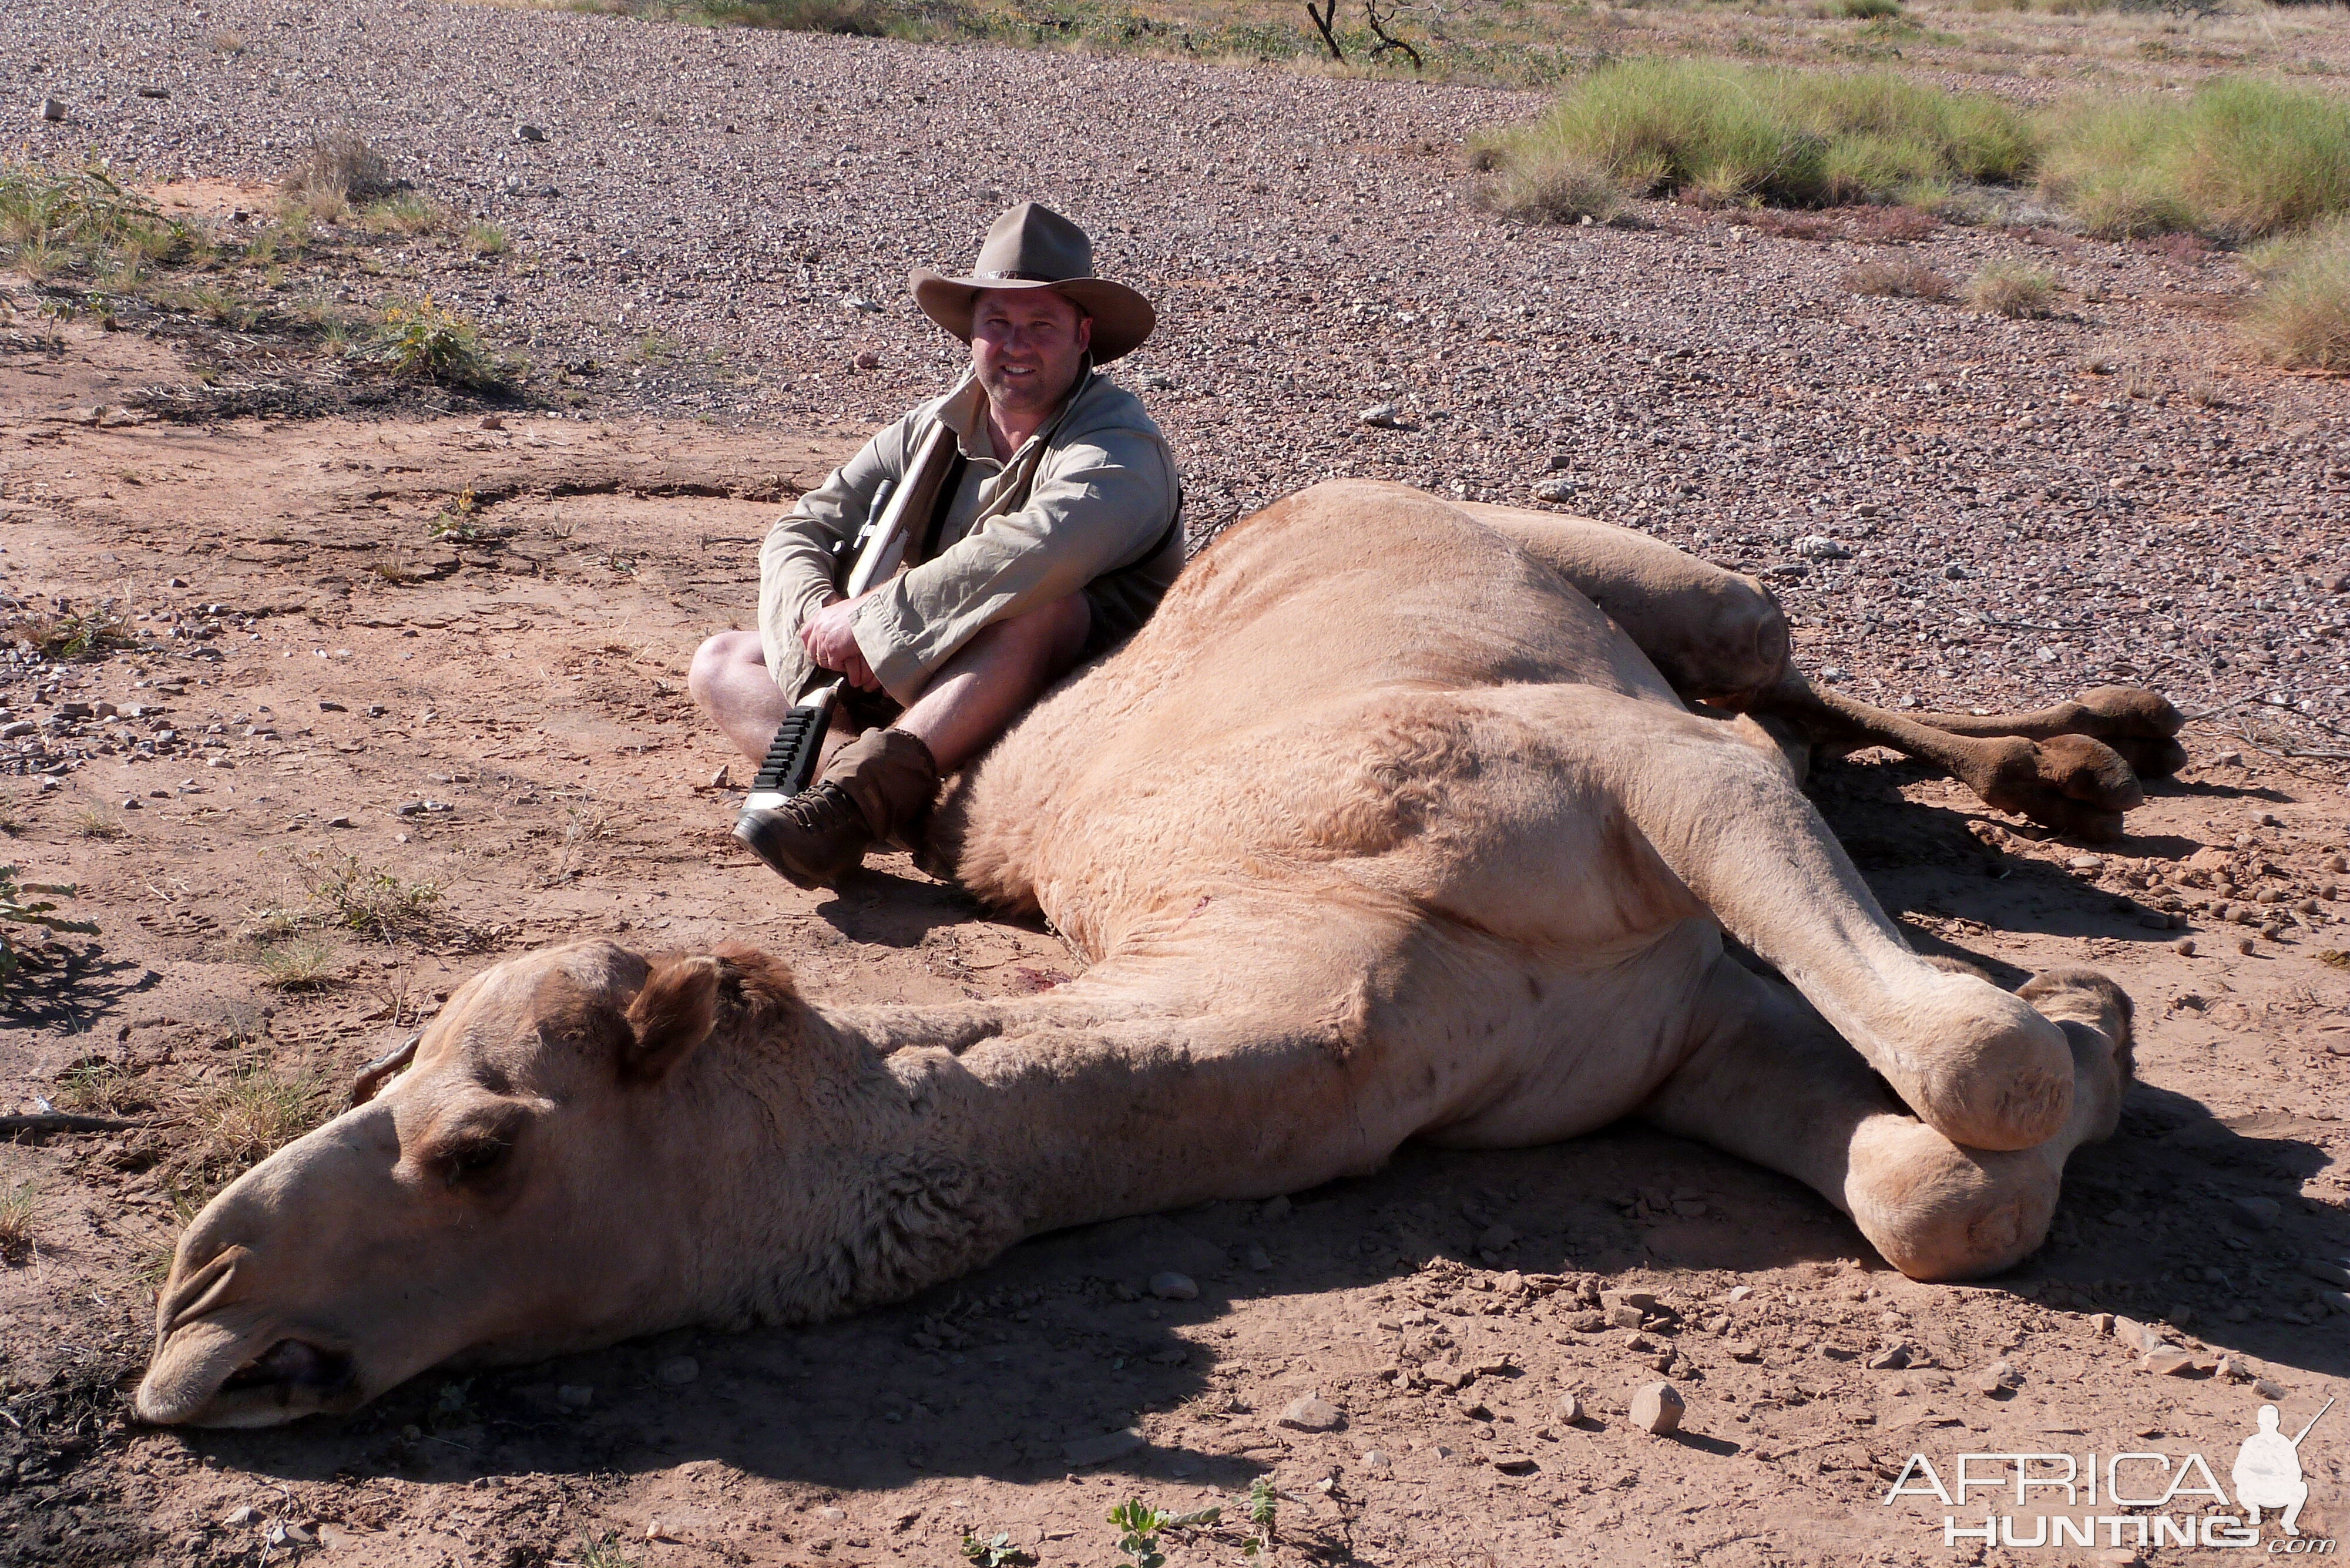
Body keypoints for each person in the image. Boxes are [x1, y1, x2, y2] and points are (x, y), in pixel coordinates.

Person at [689, 203, 1183, 889]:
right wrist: (821, 614)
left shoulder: (1119, 448)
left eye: (1041, 325)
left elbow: (1037, 550)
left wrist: (870, 621)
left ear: (1083, 336)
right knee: (720, 662)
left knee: (1045, 608)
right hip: (929, 673)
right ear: (970, 334)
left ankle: (857, 797)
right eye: (997, 324)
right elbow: (803, 527)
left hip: (1070, 703)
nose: (1016, 345)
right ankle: (878, 804)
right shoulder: (932, 426)